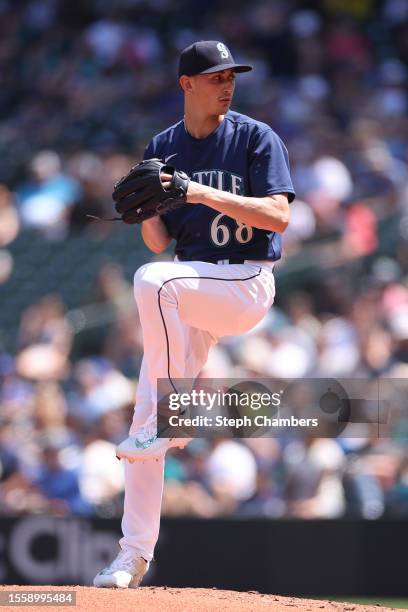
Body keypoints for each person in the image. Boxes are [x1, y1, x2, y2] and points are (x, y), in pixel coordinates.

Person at [93, 40, 295, 588]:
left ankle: (171, 410)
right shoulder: (164, 145)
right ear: (187, 84)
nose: (227, 84)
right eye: (215, 77)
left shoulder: (255, 137)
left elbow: (277, 217)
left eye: (232, 75)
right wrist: (146, 209)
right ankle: (132, 556)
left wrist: (196, 191)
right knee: (142, 426)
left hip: (246, 282)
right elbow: (159, 241)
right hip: (189, 286)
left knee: (151, 283)